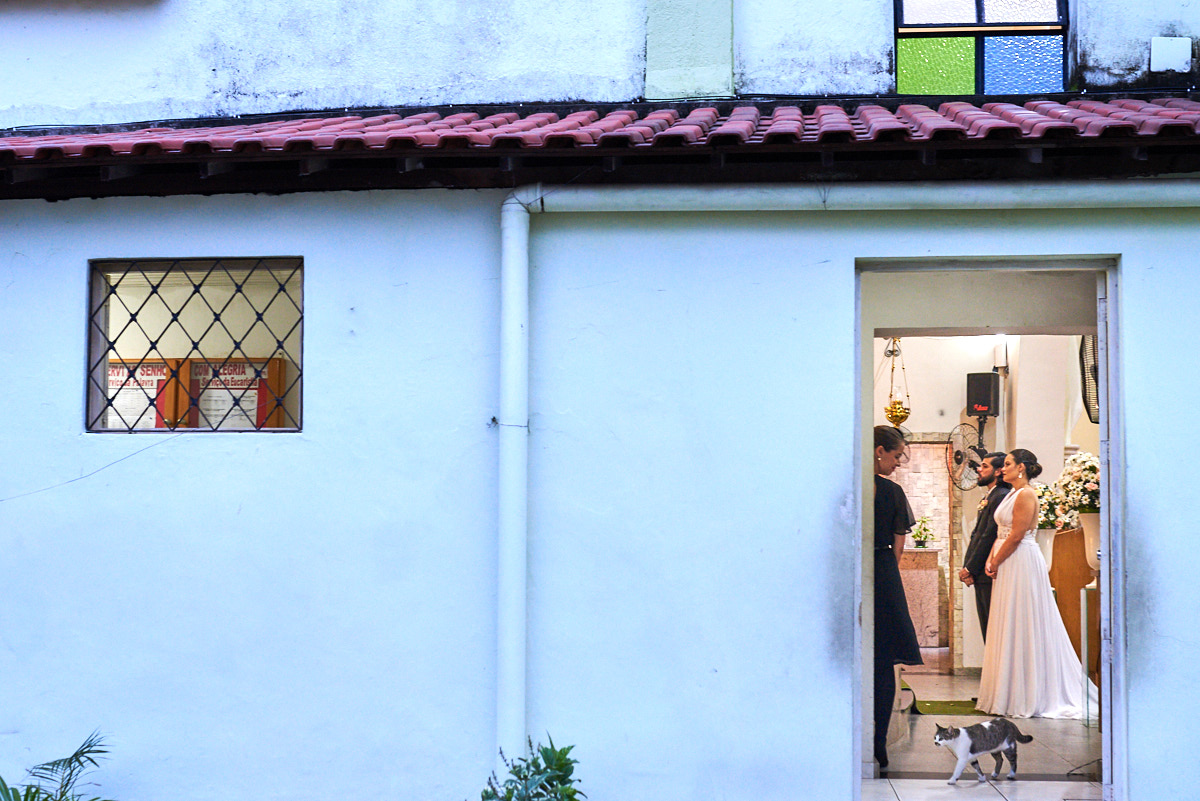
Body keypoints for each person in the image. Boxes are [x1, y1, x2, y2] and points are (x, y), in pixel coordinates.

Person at [977, 448, 1099, 718]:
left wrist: (996, 561)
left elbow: (1018, 533)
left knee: (1022, 619)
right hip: (1007, 558)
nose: (1002, 468)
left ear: (1021, 468)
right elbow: (1001, 532)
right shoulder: (1010, 493)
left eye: (1007, 464)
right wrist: (990, 557)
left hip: (1020, 560)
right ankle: (1007, 690)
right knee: (1007, 619)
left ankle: (1028, 691)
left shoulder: (1027, 494)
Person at [872, 425, 923, 770]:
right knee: (884, 658)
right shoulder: (891, 492)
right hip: (882, 571)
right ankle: (878, 742)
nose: (898, 463)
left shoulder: (851, 484)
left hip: (851, 567)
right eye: (896, 455)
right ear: (879, 451)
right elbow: (899, 544)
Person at [958, 453, 1010, 641]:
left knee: (992, 629)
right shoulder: (992, 494)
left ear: (998, 471)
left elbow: (988, 535)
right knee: (986, 627)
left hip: (989, 571)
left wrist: (970, 567)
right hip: (981, 571)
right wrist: (968, 566)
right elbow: (977, 534)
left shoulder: (1001, 496)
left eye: (984, 466)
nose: (978, 469)